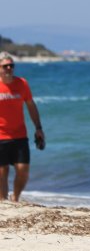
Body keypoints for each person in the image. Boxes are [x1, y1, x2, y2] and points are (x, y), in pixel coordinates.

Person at [0, 52, 45, 202]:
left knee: (23, 171)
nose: (9, 68)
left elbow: (31, 106)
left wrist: (38, 128)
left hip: (19, 135)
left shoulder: (22, 83)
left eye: (11, 66)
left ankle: (15, 198)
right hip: (0, 136)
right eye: (5, 66)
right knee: (2, 172)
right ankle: (3, 202)